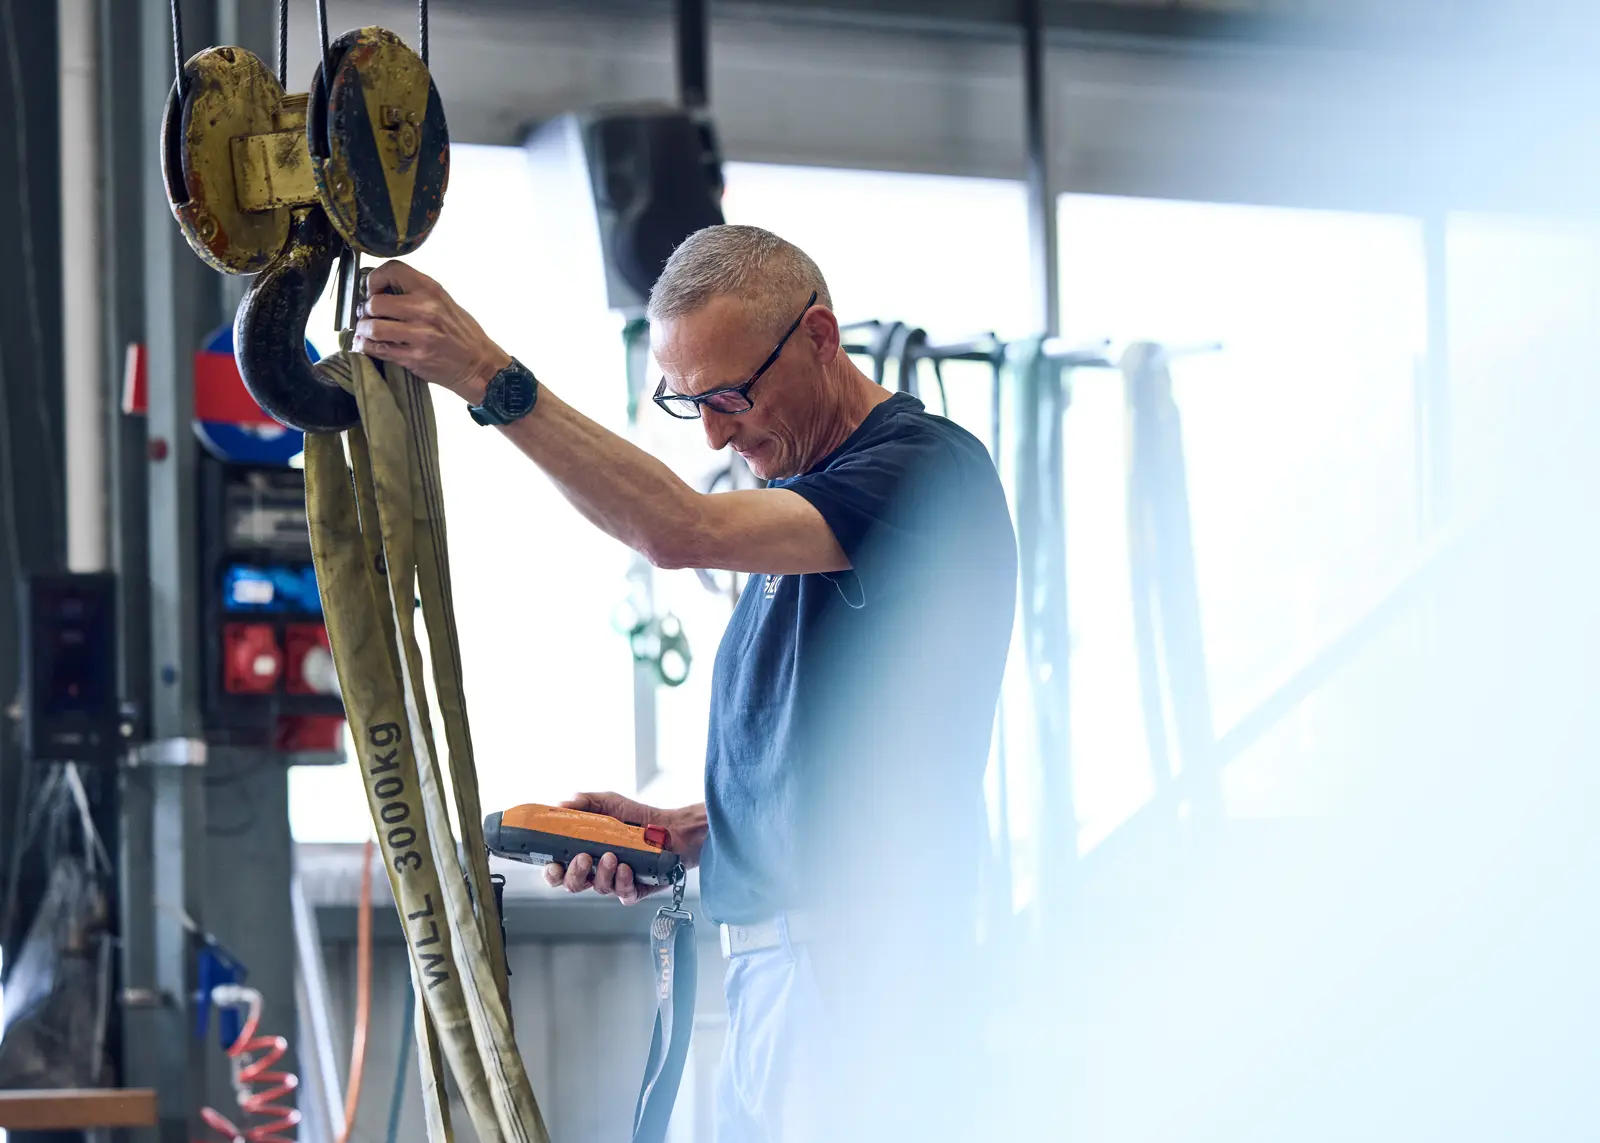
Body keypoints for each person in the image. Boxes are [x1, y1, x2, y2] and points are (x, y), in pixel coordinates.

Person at [354, 224, 1017, 1141]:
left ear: (820, 339)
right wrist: (691, 830)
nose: (714, 429)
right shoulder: (808, 509)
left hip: (859, 973)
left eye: (733, 394)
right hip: (788, 973)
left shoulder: (919, 470)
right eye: (687, 402)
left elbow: (678, 530)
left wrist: (484, 374)